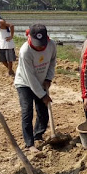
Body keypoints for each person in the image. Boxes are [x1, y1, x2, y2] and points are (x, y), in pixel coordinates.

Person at [14, 24, 57, 152]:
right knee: (27, 111)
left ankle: (38, 134)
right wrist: (42, 95)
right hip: (24, 83)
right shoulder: (25, 51)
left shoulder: (51, 45)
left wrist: (48, 78)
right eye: (37, 44)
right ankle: (29, 144)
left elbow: (52, 62)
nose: (40, 46)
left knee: (43, 112)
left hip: (41, 80)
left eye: (42, 43)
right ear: (30, 38)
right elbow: (29, 77)